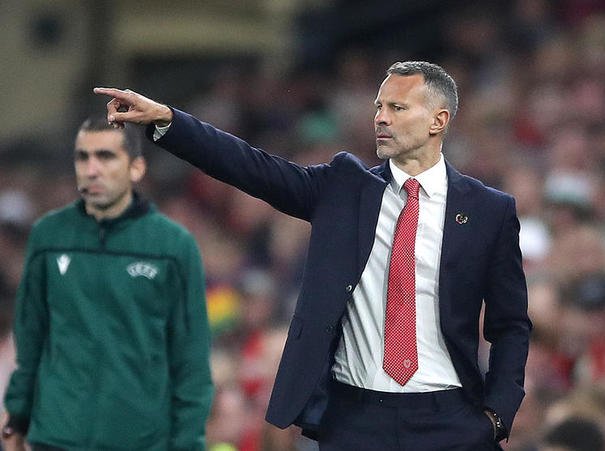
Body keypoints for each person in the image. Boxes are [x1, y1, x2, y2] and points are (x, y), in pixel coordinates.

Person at [94, 60, 531, 450]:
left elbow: (510, 324)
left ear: (439, 120)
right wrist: (170, 121)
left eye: (397, 108)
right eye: (379, 107)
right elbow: (250, 165)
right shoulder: (343, 187)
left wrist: (496, 416)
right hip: (355, 421)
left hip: (450, 420)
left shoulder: (488, 210)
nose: (380, 117)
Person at [1, 119, 213, 451]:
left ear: (136, 168)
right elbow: (31, 340)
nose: (92, 169)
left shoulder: (173, 246)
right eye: (83, 158)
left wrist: (188, 442)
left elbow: (191, 361)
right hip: (56, 438)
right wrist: (17, 417)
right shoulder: (48, 236)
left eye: (105, 156)